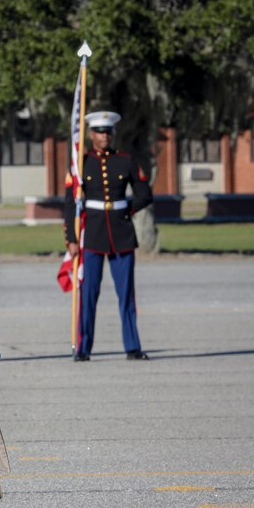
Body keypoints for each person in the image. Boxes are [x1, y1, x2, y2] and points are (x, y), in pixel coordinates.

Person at [64, 110, 153, 361]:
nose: (104, 136)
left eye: (108, 132)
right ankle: (83, 348)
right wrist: (71, 237)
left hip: (122, 232)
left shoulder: (126, 160)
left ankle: (132, 346)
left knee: (126, 294)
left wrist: (127, 209)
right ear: (91, 134)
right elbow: (70, 202)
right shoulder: (81, 163)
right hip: (91, 233)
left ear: (113, 134)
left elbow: (144, 193)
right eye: (100, 132)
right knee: (88, 293)